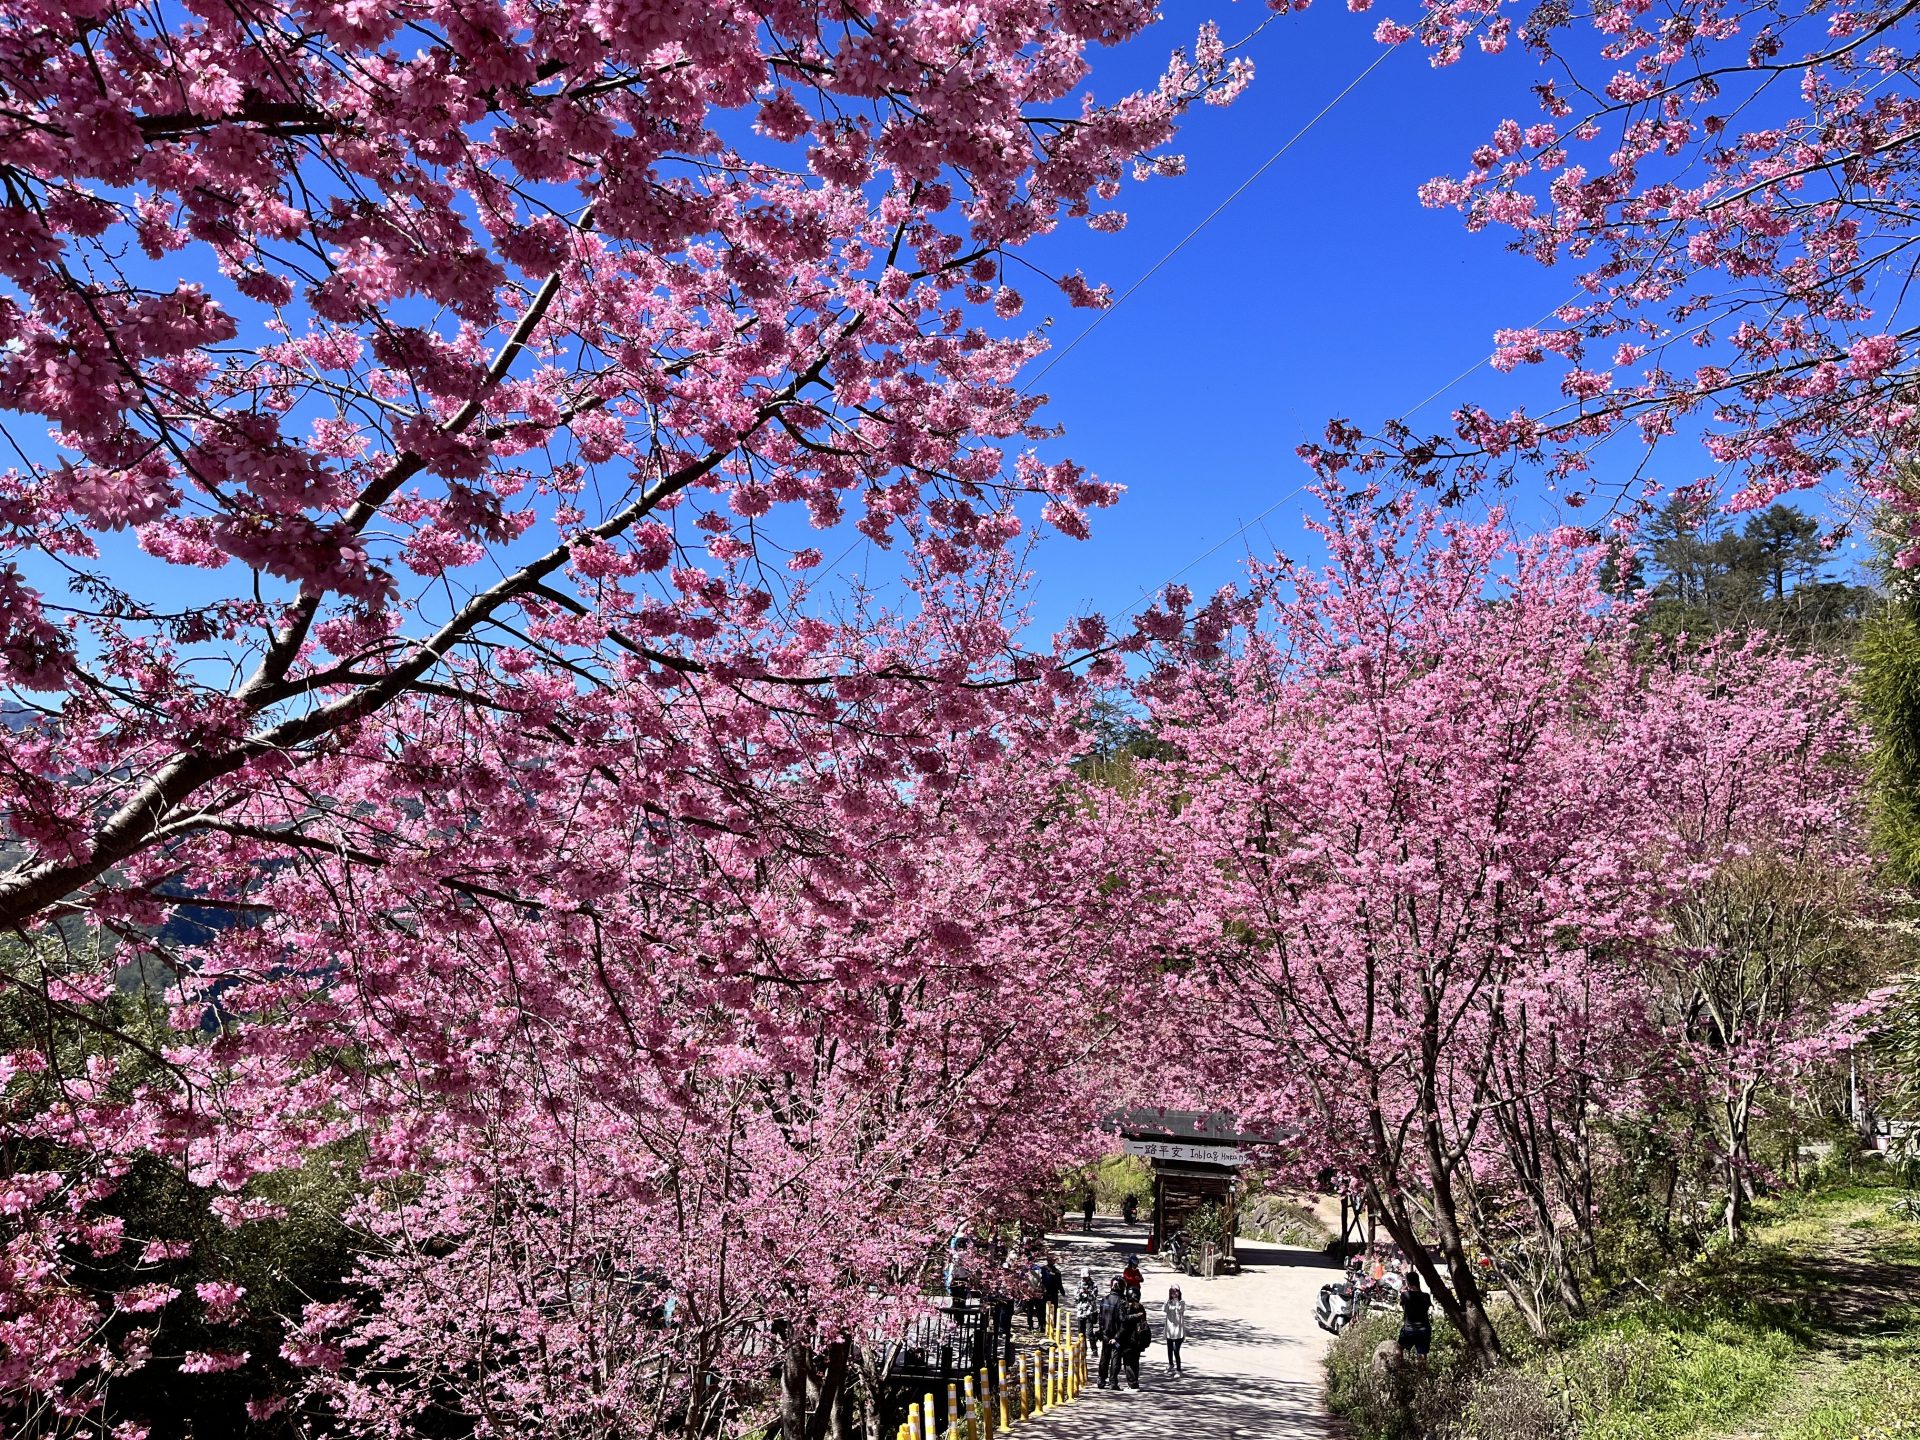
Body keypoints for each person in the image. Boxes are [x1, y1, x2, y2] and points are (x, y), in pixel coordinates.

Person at [1097, 1278, 1128, 1389]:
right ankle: (1113, 1382)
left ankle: (1101, 1379)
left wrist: (1103, 1333)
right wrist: (1116, 1337)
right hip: (1116, 1336)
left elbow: (1100, 1319)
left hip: (1106, 1334)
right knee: (1115, 1358)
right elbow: (1123, 1322)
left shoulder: (1104, 1299)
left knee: (1104, 1357)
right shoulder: (1122, 1302)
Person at [1119, 1288, 1151, 1389]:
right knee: (1135, 1361)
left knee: (1128, 1362)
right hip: (1139, 1339)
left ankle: (1132, 1384)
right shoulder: (1141, 1307)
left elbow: (1124, 1320)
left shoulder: (1128, 1307)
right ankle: (1135, 1382)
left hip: (1129, 1338)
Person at [1397, 1272, 1433, 1358]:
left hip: (1409, 1329)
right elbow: (1426, 1308)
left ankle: (1400, 1368)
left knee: (1398, 1348)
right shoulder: (1426, 1296)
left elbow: (1403, 1308)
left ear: (1408, 1283)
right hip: (1424, 1329)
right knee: (1422, 1354)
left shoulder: (1404, 1295)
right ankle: (1422, 1371)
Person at [1072, 1269, 1100, 1352]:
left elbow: (1094, 1298)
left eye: (1085, 1277)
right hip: (1080, 1312)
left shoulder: (1094, 1285)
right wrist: (1080, 1293)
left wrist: (1088, 1292)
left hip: (1090, 1311)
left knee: (1090, 1333)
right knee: (1081, 1333)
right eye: (1083, 1277)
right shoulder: (1079, 1284)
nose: (1084, 1279)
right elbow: (1075, 1298)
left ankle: (1094, 1349)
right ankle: (1083, 1349)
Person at [1162, 1285, 1187, 1375]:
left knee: (1176, 1350)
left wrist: (1176, 1301)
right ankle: (1170, 1364)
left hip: (1178, 1330)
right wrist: (1168, 1301)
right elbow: (1164, 1310)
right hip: (1169, 1329)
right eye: (1172, 1292)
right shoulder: (1168, 1302)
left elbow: (1181, 1309)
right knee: (1169, 1348)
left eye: (1176, 1291)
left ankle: (1179, 1369)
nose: (1174, 1293)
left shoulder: (1182, 1302)